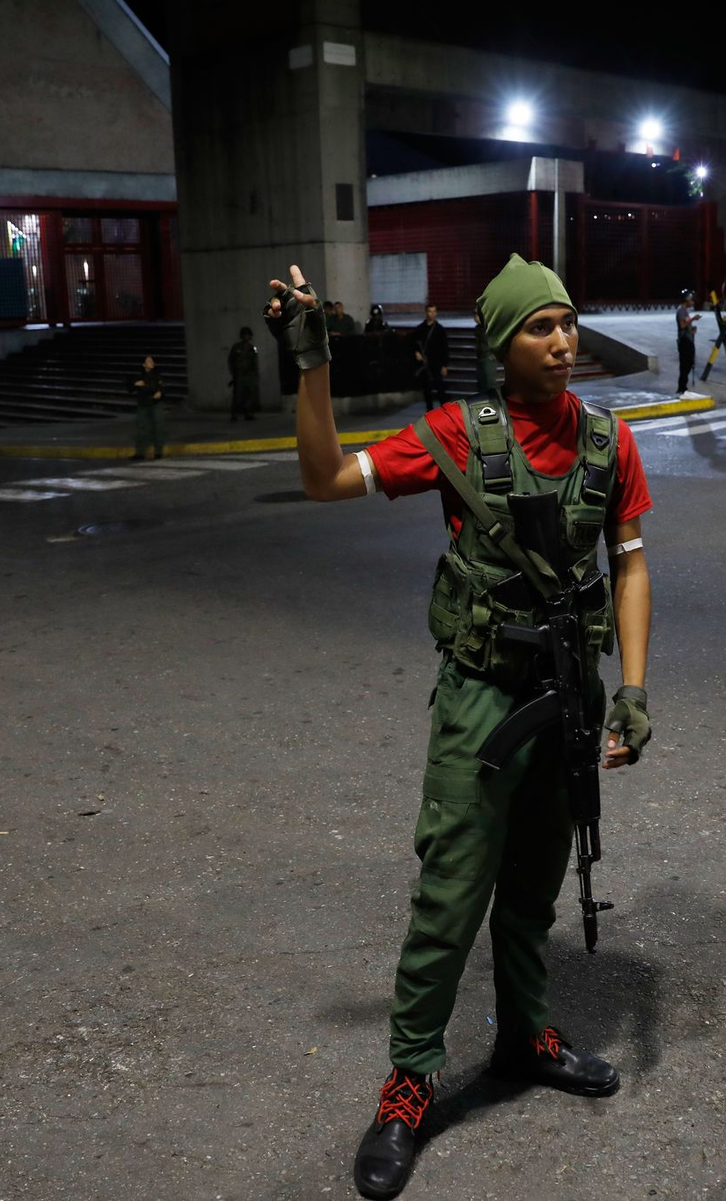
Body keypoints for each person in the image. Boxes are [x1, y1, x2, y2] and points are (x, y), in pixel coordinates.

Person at [263, 254, 653, 1200]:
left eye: (567, 322)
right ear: (501, 344)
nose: (562, 341)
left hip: (568, 693)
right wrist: (314, 358)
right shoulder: (452, 435)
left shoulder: (610, 442)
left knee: (533, 887)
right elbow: (322, 477)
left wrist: (632, 689)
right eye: (539, 327)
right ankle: (407, 1084)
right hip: (483, 698)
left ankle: (524, 1037)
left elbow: (631, 562)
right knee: (451, 896)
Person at [127, 354, 164, 460]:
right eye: (148, 361)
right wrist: (135, 384)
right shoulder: (140, 376)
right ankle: (139, 453)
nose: (151, 362)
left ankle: (158, 452)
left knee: (158, 427)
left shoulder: (157, 375)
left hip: (155, 404)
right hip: (143, 404)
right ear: (144, 365)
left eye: (152, 361)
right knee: (142, 428)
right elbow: (130, 387)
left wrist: (160, 392)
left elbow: (162, 387)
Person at [413, 302, 449, 410]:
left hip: (437, 362)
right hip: (425, 363)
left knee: (440, 387)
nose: (432, 314)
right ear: (426, 312)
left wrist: (444, 365)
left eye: (434, 311)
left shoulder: (440, 330)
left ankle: (444, 410)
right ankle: (430, 411)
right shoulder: (420, 329)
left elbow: (444, 348)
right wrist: (416, 352)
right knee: (427, 389)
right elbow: (413, 343)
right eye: (429, 311)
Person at [228, 326, 259, 422]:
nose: (246, 337)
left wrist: (255, 374)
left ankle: (248, 413)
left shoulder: (252, 348)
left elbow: (255, 361)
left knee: (248, 395)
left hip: (249, 374)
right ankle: (234, 414)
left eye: (248, 335)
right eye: (244, 335)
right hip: (239, 374)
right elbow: (231, 360)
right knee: (237, 395)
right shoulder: (236, 347)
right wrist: (233, 372)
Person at [675, 288, 700, 394]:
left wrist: (691, 329)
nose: (693, 302)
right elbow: (682, 325)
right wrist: (693, 319)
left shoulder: (684, 311)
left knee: (689, 363)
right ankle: (681, 388)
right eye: (692, 300)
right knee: (685, 365)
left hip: (688, 340)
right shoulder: (681, 311)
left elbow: (686, 325)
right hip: (684, 342)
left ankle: (683, 386)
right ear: (687, 300)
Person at [473, 303, 499, 393]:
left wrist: (494, 354)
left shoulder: (490, 328)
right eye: (474, 314)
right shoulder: (478, 328)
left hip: (488, 359)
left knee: (490, 385)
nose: (475, 317)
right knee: (481, 385)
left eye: (477, 314)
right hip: (480, 358)